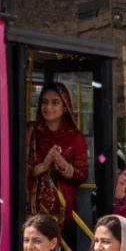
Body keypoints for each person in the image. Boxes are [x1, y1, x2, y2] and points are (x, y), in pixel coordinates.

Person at [25, 84, 88, 231]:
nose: (48, 107)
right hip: (31, 214)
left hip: (63, 216)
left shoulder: (75, 138)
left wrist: (64, 166)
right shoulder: (30, 132)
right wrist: (43, 166)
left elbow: (82, 174)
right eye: (44, 102)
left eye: (55, 103)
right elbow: (14, 169)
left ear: (65, 107)